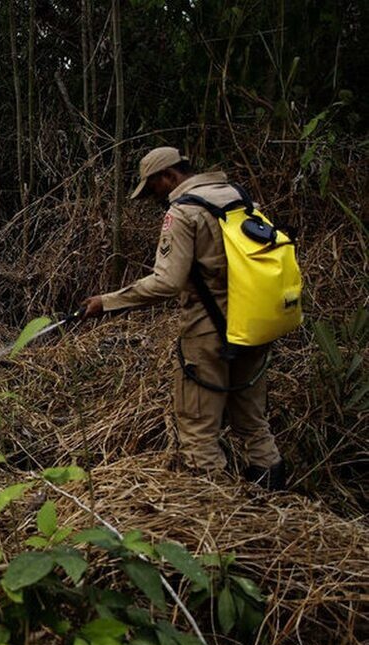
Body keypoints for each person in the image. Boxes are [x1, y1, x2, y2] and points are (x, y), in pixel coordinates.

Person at [80, 147, 284, 490]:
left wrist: (107, 302)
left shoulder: (184, 212)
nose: (153, 197)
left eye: (153, 188)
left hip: (209, 333)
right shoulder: (238, 198)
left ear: (168, 176)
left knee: (197, 427)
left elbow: (167, 282)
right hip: (256, 322)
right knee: (253, 423)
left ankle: (212, 513)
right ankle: (274, 501)